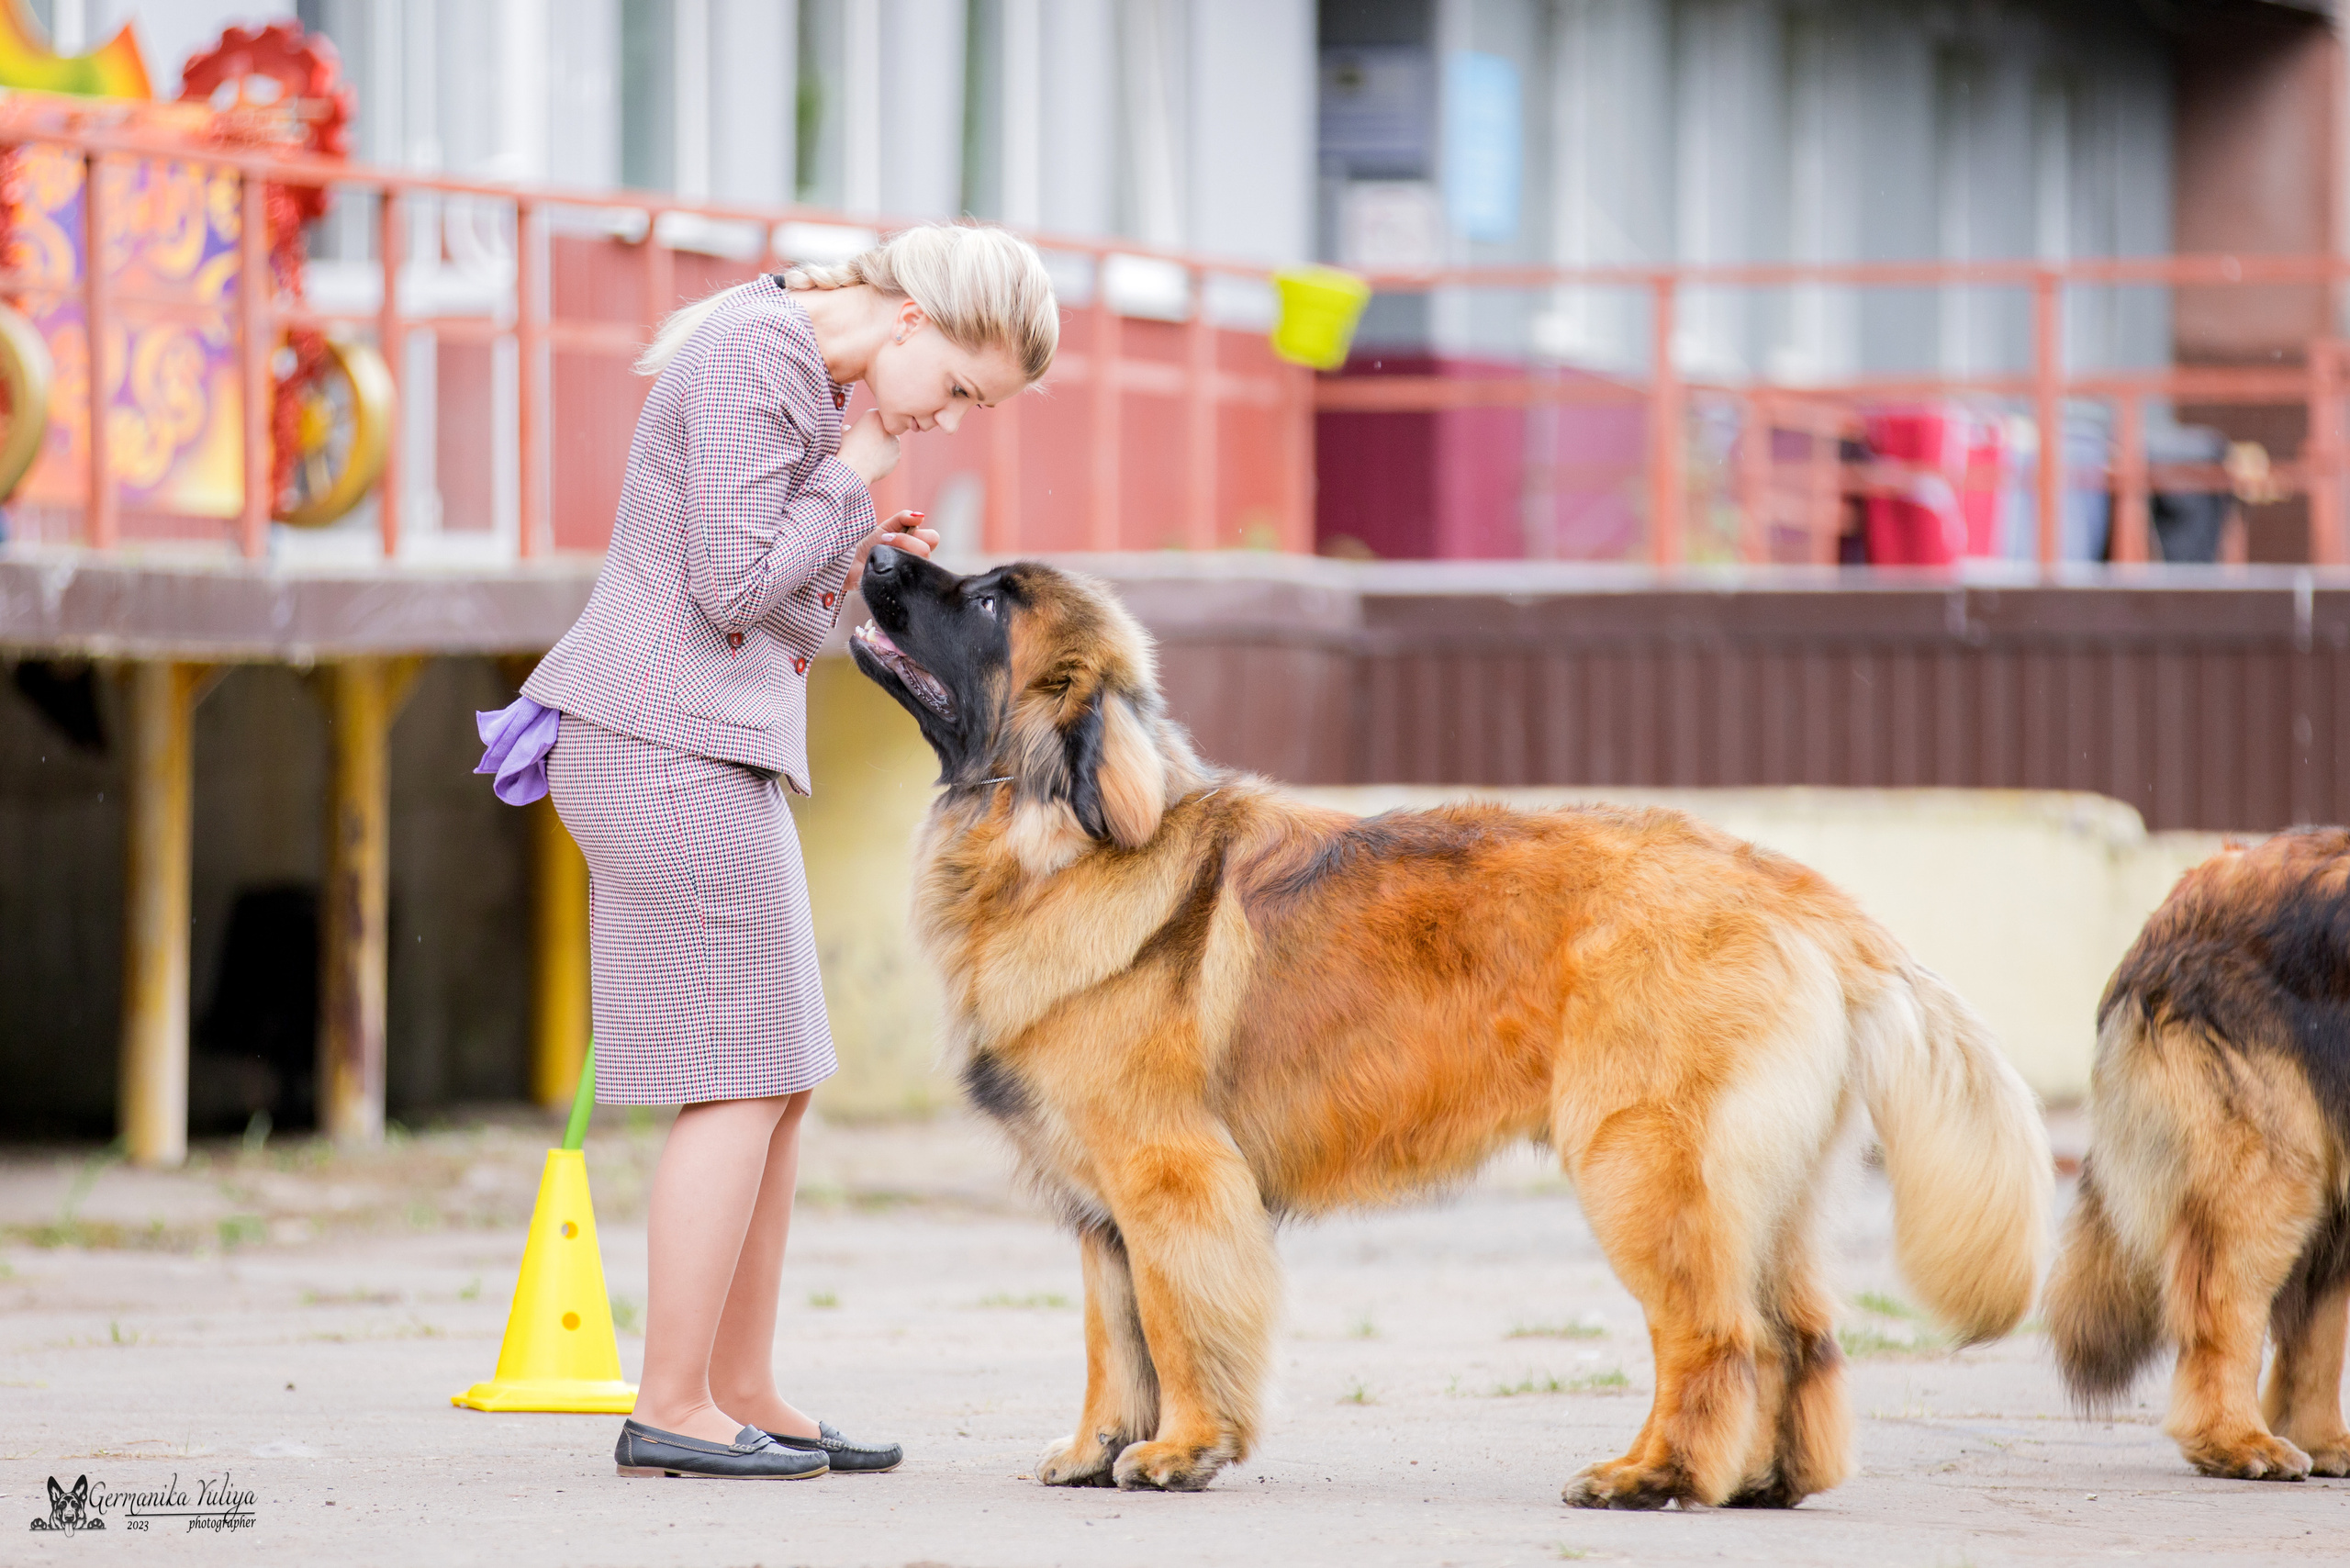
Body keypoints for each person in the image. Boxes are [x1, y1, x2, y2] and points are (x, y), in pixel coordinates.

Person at [475, 223, 1058, 1480]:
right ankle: (673, 1403)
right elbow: (734, 586)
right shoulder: (763, 355)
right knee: (736, 1073)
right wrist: (851, 474)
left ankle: (741, 1388)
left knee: (779, 1069)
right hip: (660, 739)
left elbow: (771, 601)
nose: (953, 419)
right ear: (911, 318)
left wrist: (850, 527)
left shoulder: (794, 362)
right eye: (962, 389)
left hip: (706, 740)